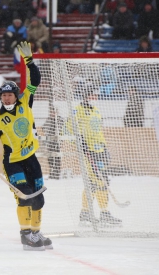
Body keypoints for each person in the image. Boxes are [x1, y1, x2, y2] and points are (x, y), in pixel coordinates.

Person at [0, 41, 52, 251]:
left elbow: (35, 80)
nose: (7, 97)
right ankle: (25, 235)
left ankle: (36, 233)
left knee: (39, 199)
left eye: (10, 94)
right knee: (25, 194)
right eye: (3, 95)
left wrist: (29, 61)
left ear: (15, 95)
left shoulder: (25, 101)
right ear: (1, 98)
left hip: (31, 158)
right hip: (13, 163)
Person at [66, 83, 122, 226]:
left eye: (96, 95)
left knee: (100, 181)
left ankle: (91, 213)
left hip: (99, 151)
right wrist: (79, 143)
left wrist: (104, 148)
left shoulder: (96, 110)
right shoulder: (76, 111)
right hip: (87, 153)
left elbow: (98, 131)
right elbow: (67, 131)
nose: (95, 97)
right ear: (85, 96)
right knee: (96, 182)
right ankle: (97, 213)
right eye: (92, 95)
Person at [44, 104, 64, 180]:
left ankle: (57, 175)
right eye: (52, 111)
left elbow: (62, 129)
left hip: (57, 143)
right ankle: (52, 174)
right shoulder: (48, 120)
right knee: (50, 158)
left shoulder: (60, 120)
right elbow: (44, 128)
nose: (53, 113)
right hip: (50, 142)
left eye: (55, 111)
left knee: (57, 158)